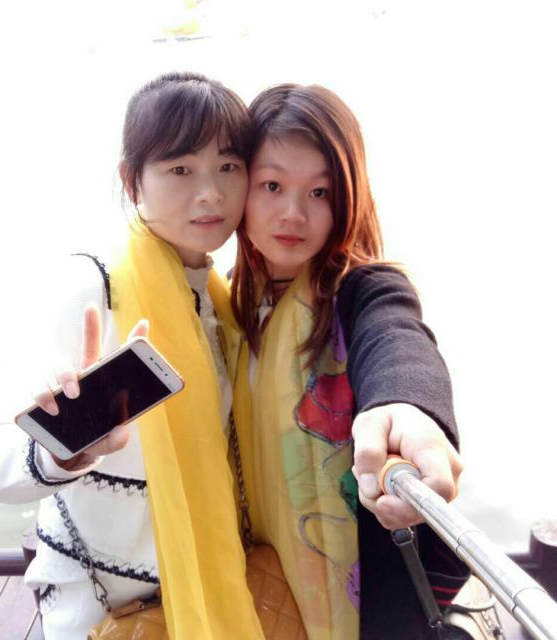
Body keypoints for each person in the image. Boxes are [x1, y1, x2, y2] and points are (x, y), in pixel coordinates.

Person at [0, 71, 266, 640]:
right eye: (180, 169)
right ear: (133, 181)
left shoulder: (223, 300)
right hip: (104, 610)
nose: (211, 192)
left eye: (229, 166)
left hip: (207, 587)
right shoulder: (92, 286)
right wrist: (68, 445)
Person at [229, 84, 468, 639]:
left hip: (365, 602)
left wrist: (407, 409)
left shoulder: (362, 290)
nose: (294, 213)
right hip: (263, 582)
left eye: (320, 192)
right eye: (272, 185)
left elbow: (396, 336)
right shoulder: (228, 306)